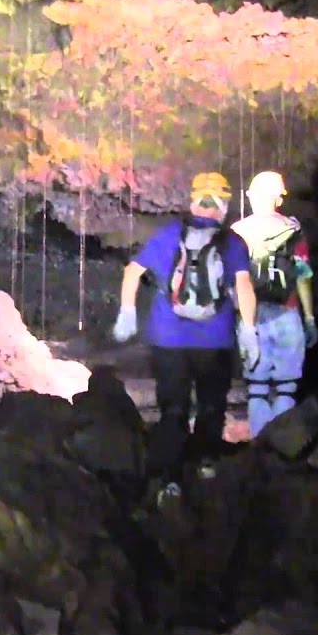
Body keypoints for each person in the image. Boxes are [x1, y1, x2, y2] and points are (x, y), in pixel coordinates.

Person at [111, 171, 259, 497]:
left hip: (168, 339)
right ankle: (206, 463)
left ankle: (170, 479)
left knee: (173, 408)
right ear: (224, 204)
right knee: (211, 404)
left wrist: (127, 313)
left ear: (193, 201)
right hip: (215, 340)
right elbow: (244, 287)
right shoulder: (233, 242)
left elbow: (132, 271)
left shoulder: (169, 235)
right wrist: (248, 329)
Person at [230, 170, 318, 439]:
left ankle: (259, 449)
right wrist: (310, 318)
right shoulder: (292, 230)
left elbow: (232, 280)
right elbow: (302, 276)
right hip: (287, 313)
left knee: (257, 388)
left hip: (250, 316)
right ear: (278, 199)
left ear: (252, 197)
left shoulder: (237, 231)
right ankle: (283, 449)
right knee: (285, 388)